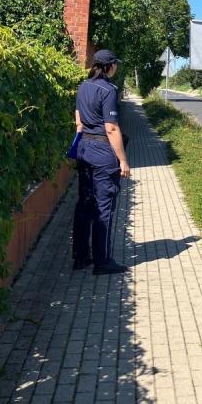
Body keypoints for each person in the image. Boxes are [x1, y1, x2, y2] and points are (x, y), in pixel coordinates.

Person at [73, 49, 131, 274]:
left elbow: (78, 122)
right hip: (103, 152)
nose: (116, 67)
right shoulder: (109, 90)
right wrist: (123, 159)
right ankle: (102, 262)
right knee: (103, 207)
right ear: (109, 67)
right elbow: (111, 128)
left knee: (84, 204)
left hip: (84, 148)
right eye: (115, 64)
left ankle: (80, 257)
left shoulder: (83, 86)